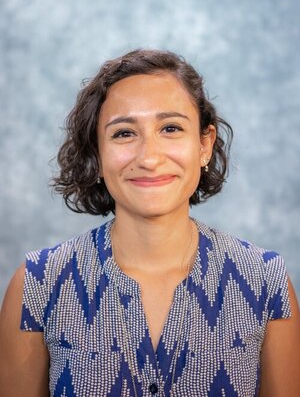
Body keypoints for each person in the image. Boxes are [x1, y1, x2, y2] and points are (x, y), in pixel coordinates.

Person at [0, 49, 299, 397]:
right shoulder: (37, 284)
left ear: (204, 145)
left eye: (171, 128)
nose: (150, 158)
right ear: (96, 155)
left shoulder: (266, 281)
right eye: (124, 133)